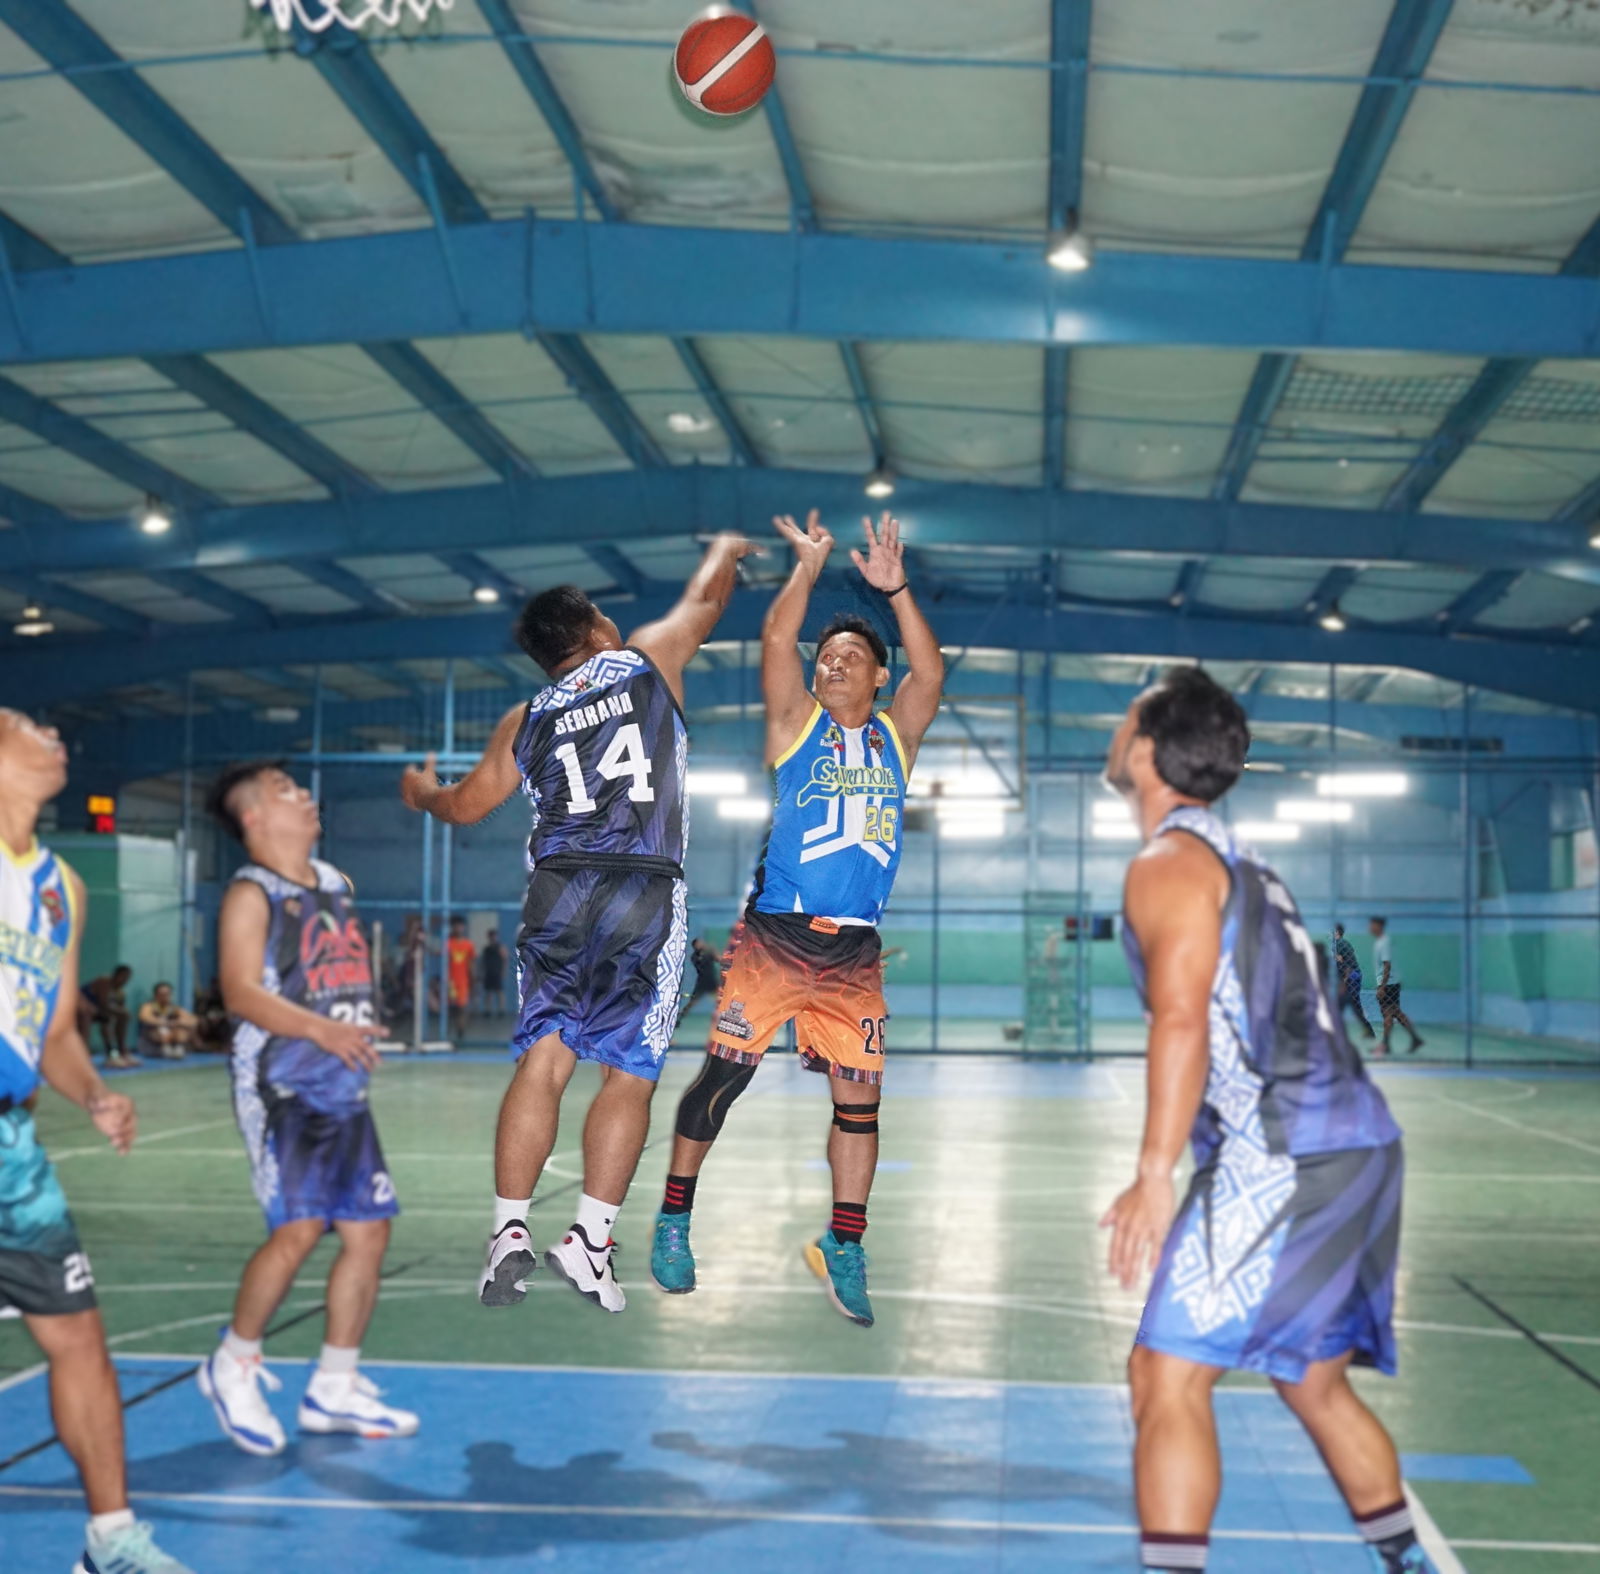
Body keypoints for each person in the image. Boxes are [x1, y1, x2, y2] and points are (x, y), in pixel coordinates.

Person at [1097, 668, 1429, 1574]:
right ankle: (1406, 1559)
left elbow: (1182, 1017)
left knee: (1166, 1375)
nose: (1117, 731)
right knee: (1310, 1379)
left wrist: (1156, 1172)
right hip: (1359, 1144)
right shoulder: (1246, 868)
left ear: (1151, 754)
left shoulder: (1168, 865)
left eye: (1128, 719)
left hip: (1287, 1152)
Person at [400, 532, 755, 1314]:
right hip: (641, 887)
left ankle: (509, 1231)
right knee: (628, 1071)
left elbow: (464, 806)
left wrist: (421, 791)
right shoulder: (644, 660)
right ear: (596, 629)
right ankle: (590, 1241)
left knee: (546, 1055)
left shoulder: (525, 718)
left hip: (556, 890)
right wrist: (727, 551)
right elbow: (706, 600)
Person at [650, 511, 945, 1328]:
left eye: (850, 656)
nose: (832, 663)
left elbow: (932, 669)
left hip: (854, 954)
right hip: (777, 938)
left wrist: (897, 590)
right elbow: (778, 641)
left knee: (860, 1103)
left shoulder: (896, 737)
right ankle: (674, 1220)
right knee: (725, 1078)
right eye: (827, 657)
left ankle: (843, 1244)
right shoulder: (796, 725)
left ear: (878, 677)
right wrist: (807, 570)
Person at [0, 708, 194, 1574]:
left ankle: (112, 1544)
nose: (51, 732)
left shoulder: (61, 887)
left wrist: (95, 1094)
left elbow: (53, 1032)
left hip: (13, 1151)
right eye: (26, 724)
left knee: (77, 1333)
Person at [198, 760, 417, 1456]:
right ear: (253, 818)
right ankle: (233, 1362)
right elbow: (239, 991)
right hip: (283, 1083)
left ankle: (333, 1386)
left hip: (342, 1082)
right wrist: (323, 1029)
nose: (306, 796)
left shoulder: (329, 882)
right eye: (285, 790)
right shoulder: (249, 894)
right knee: (300, 1229)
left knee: (368, 1231)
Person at [1369, 917, 1424, 1056]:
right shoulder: (1379, 942)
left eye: (1372, 925)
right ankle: (1415, 1039)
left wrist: (1382, 986)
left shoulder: (1385, 942)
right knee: (1396, 1013)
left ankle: (1386, 1045)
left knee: (1388, 1013)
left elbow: (1387, 964)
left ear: (1379, 926)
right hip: (1388, 982)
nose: (1370, 927)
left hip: (1389, 983)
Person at [78, 965, 138, 1069]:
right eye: (123, 977)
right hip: (79, 1011)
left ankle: (120, 1053)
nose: (125, 981)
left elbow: (117, 1010)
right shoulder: (104, 981)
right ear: (116, 975)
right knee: (90, 1015)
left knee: (121, 1017)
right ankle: (84, 1056)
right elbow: (104, 1004)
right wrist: (121, 1012)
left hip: (98, 1012)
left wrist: (124, 1013)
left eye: (127, 978)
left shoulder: (120, 993)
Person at [1333, 923, 1375, 1039]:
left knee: (1349, 1005)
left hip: (1351, 977)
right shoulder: (1339, 944)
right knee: (1351, 1005)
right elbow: (1342, 962)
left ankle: (1336, 1032)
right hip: (1352, 977)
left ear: (1337, 932)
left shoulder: (1340, 943)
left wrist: (1344, 981)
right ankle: (1367, 1030)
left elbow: (1348, 964)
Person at [137, 981, 197, 1059]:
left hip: (170, 1038)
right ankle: (166, 1049)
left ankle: (178, 1049)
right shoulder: (149, 1006)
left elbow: (193, 1019)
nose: (165, 996)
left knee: (181, 1032)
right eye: (162, 994)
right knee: (162, 1032)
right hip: (152, 1040)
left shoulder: (173, 1008)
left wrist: (179, 1022)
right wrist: (165, 1023)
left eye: (167, 994)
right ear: (156, 995)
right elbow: (144, 1017)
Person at [446, 916, 476, 1040]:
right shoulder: (448, 944)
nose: (458, 928)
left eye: (460, 925)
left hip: (463, 981)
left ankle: (461, 1032)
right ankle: (447, 1033)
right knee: (452, 1008)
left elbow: (471, 964)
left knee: (463, 1007)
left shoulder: (468, 945)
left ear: (463, 928)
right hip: (450, 982)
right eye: (455, 926)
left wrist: (473, 979)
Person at [685, 936, 722, 1013]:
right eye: (698, 944)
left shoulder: (706, 952)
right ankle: (682, 1016)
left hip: (710, 979)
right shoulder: (695, 957)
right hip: (704, 980)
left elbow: (719, 959)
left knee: (720, 999)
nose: (700, 944)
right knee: (693, 1001)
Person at [480, 928, 509, 1017]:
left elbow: (505, 960)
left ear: (497, 937)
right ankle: (488, 1010)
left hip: (497, 972)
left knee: (499, 992)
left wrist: (504, 971)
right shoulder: (486, 949)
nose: (493, 937)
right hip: (488, 972)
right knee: (488, 992)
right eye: (491, 936)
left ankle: (501, 1010)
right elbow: (483, 962)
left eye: (494, 936)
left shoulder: (501, 947)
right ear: (489, 937)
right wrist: (482, 972)